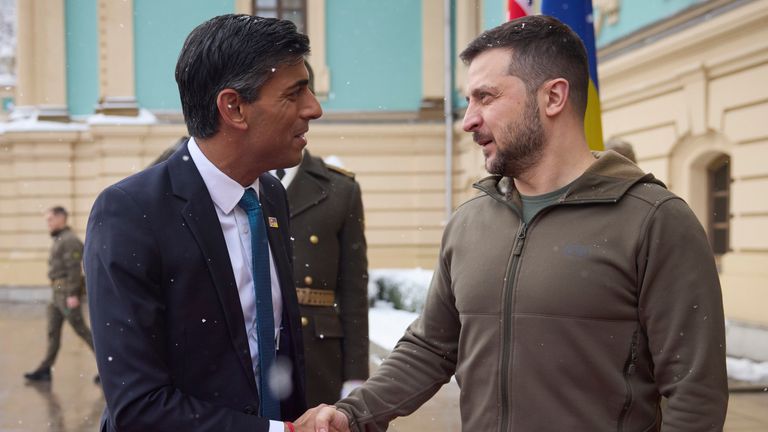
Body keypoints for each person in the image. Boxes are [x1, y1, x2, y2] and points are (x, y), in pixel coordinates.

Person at [308, 15, 728, 431]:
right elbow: (431, 347)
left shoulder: (655, 221)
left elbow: (695, 396)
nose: (468, 119)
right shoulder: (469, 221)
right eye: (468, 100)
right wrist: (352, 412)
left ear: (553, 97)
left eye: (485, 97)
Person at [84, 15, 322, 432]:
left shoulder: (270, 196)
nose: (313, 108)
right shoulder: (128, 212)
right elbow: (138, 406)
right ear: (233, 108)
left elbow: (277, 353)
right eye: (294, 93)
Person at [274, 149, 369, 407]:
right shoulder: (240, 179)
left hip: (317, 351)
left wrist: (356, 374)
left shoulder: (340, 188)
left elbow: (354, 290)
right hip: (255, 344)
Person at [24, 206, 98, 384]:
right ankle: (45, 369)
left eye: (50, 219)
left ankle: (109, 367)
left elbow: (74, 270)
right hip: (57, 295)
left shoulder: (69, 240)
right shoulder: (60, 239)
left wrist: (73, 294)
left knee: (82, 331)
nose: (47, 223)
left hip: (66, 294)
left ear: (61, 218)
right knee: (52, 331)